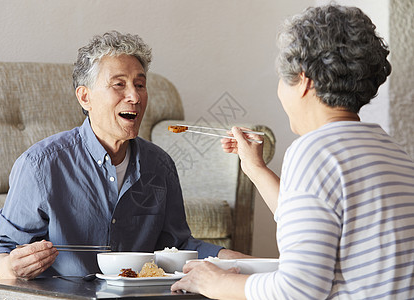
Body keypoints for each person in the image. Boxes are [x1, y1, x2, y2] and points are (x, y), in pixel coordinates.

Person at [171, 4, 414, 299]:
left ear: (303, 81)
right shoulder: (393, 152)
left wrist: (215, 283)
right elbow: (315, 219)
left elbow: (298, 289)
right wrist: (255, 168)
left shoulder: (313, 152)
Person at [0, 30, 245, 280]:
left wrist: (237, 260)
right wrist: (11, 266)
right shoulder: (41, 165)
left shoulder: (160, 165)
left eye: (140, 84)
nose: (134, 96)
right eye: (119, 84)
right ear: (85, 97)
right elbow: (0, 250)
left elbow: (176, 245)